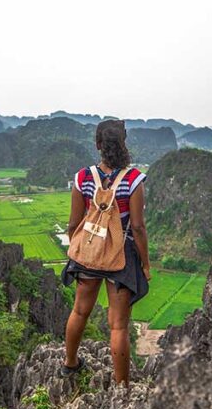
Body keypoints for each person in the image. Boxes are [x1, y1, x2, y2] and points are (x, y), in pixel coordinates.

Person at [59, 119, 150, 387]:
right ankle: (121, 386)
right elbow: (137, 226)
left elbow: (74, 223)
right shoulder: (133, 180)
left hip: (88, 253)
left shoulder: (83, 177)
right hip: (121, 259)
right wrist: (145, 263)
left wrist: (78, 250)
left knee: (79, 311)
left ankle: (70, 363)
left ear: (98, 145)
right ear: (123, 143)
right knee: (118, 325)